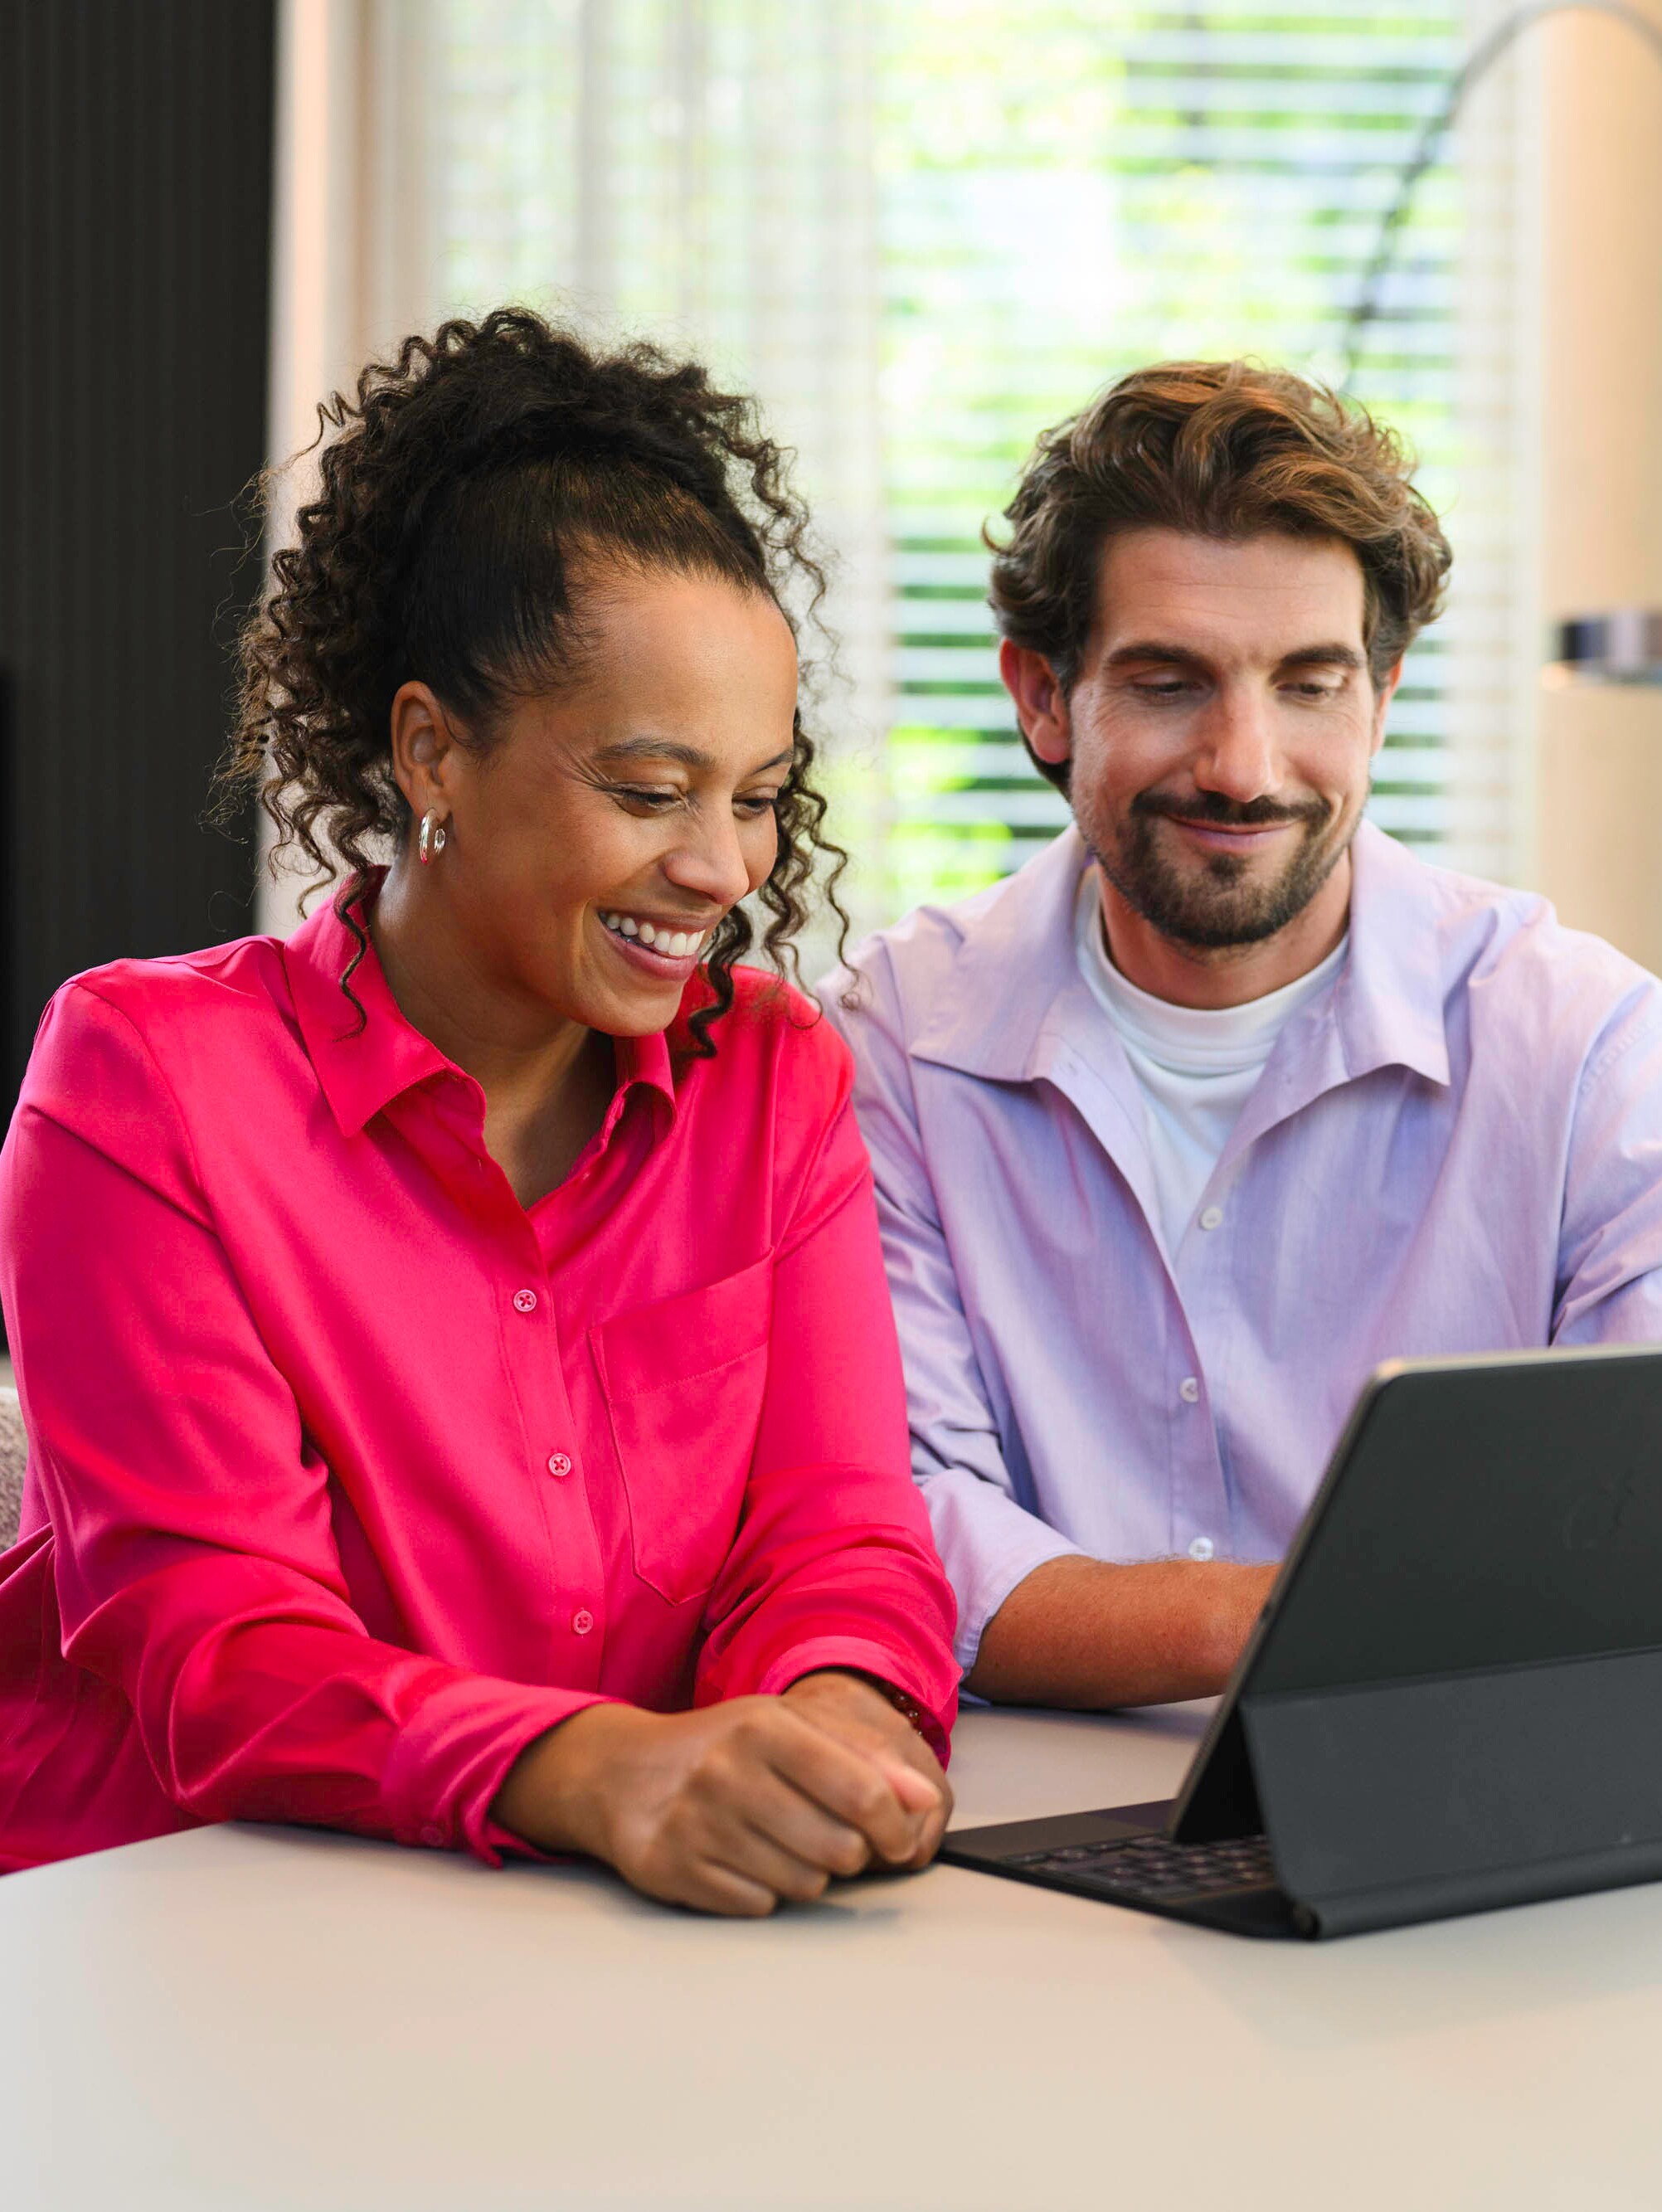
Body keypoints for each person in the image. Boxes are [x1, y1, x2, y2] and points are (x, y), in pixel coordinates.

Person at [0, 309, 957, 1913]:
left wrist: (833, 1735)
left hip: (571, 1928)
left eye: (759, 795)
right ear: (432, 753)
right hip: (154, 1927)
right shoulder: (144, 1079)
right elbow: (217, 1651)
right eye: (651, 792)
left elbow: (839, 1533)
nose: (723, 869)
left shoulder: (771, 1076)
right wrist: (595, 1771)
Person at [823, 360, 1662, 1713]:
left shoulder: (1586, 1051)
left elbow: (1627, 1537)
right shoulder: (898, 1046)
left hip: (1459, 1802)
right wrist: (1317, 1613)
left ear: (1382, 696)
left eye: (1310, 684)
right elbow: (892, 1520)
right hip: (1012, 1829)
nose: (1244, 764)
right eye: (1169, 682)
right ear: (1044, 696)